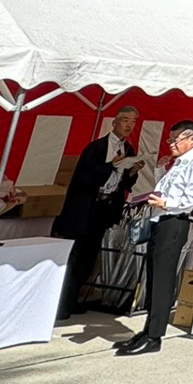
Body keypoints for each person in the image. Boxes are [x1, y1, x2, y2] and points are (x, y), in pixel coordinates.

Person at [115, 119, 193, 357]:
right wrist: (159, 170)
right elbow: (165, 189)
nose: (171, 145)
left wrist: (167, 204)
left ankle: (155, 336)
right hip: (160, 221)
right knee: (154, 277)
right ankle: (147, 330)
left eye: (175, 140)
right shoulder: (178, 163)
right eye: (170, 140)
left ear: (190, 139)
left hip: (174, 223)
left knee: (163, 280)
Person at [54, 105, 143, 320]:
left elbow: (124, 183)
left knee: (88, 257)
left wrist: (132, 172)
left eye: (132, 122)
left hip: (105, 208)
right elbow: (84, 178)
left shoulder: (128, 149)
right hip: (85, 207)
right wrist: (110, 166)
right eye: (125, 121)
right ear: (115, 122)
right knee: (74, 257)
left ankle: (73, 299)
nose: (129, 126)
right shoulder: (96, 148)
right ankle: (60, 304)